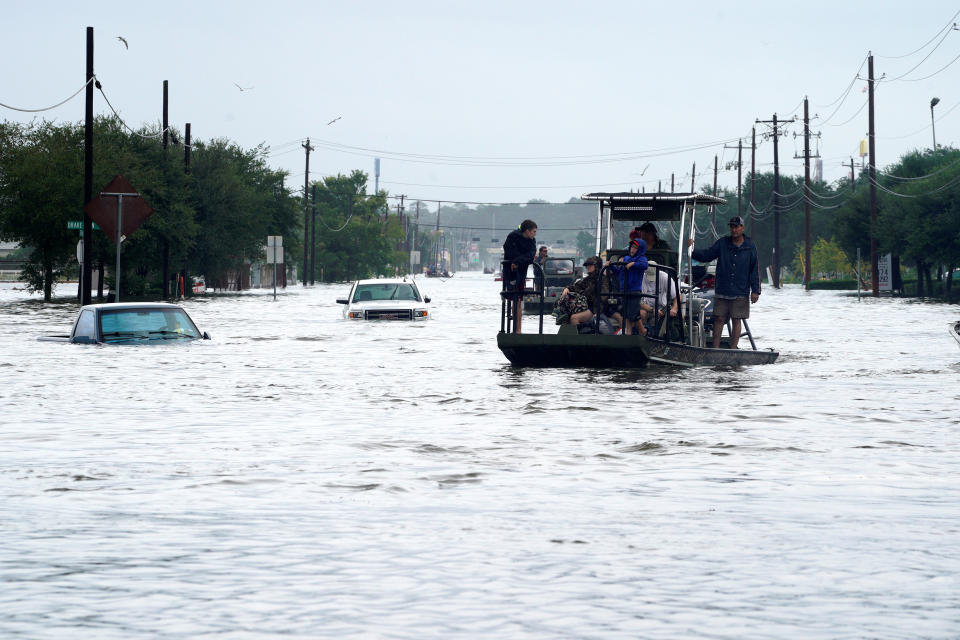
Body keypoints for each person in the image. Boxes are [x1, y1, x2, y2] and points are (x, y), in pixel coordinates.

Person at [687, 215, 760, 349]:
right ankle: (715, 349)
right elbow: (707, 255)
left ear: (742, 228)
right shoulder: (722, 243)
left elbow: (754, 270)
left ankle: (733, 350)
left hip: (741, 290)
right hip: (722, 289)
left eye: (736, 227)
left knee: (737, 320)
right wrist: (692, 249)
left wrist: (755, 291)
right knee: (719, 319)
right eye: (732, 227)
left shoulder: (750, 246)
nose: (734, 229)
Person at [502, 219, 538, 332]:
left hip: (521, 271)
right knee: (513, 298)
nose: (535, 234)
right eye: (534, 231)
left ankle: (518, 329)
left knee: (519, 299)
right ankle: (515, 328)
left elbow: (531, 255)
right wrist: (517, 260)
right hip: (510, 272)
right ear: (527, 231)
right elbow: (508, 251)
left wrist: (517, 261)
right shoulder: (513, 236)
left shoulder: (532, 241)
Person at [608, 238, 648, 335]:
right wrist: (611, 266)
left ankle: (643, 330)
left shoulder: (642, 259)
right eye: (632, 247)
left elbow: (644, 265)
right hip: (624, 290)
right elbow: (619, 272)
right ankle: (628, 332)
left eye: (635, 247)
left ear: (640, 249)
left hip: (634, 290)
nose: (632, 249)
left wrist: (634, 264)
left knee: (633, 313)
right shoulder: (626, 259)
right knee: (626, 313)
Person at [553, 256, 600, 326]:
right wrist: (567, 289)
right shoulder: (587, 279)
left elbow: (603, 297)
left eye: (590, 265)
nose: (588, 267)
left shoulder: (601, 279)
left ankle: (580, 335)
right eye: (587, 265)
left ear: (596, 266)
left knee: (574, 318)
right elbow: (576, 286)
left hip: (595, 307)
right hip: (585, 305)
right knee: (566, 308)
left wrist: (598, 311)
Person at [638, 260, 678, 336]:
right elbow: (639, 302)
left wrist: (674, 308)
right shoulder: (640, 278)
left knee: (671, 318)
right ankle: (642, 335)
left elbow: (677, 296)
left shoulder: (665, 277)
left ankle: (662, 337)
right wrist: (652, 310)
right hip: (646, 308)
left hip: (663, 308)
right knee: (641, 314)